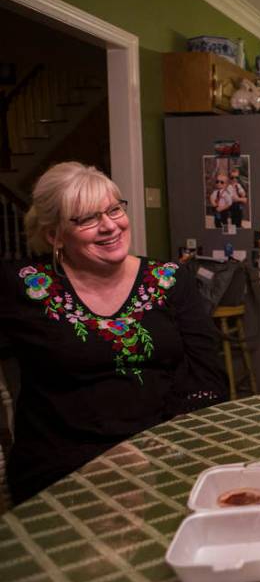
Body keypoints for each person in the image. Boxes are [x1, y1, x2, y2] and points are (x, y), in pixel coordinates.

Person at [2, 161, 227, 505]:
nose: (110, 226)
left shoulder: (169, 279)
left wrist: (164, 441)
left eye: (113, 210)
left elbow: (207, 376)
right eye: (87, 218)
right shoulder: (23, 286)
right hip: (63, 467)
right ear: (54, 235)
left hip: (164, 451)